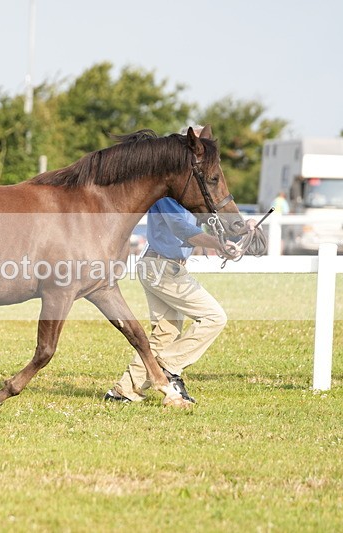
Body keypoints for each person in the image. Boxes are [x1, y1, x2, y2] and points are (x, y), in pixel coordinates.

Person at [104, 126, 244, 404]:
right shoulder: (167, 193)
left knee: (165, 333)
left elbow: (199, 220)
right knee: (214, 317)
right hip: (161, 268)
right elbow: (180, 228)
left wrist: (227, 238)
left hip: (160, 265)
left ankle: (124, 391)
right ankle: (169, 368)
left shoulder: (187, 189)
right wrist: (217, 244)